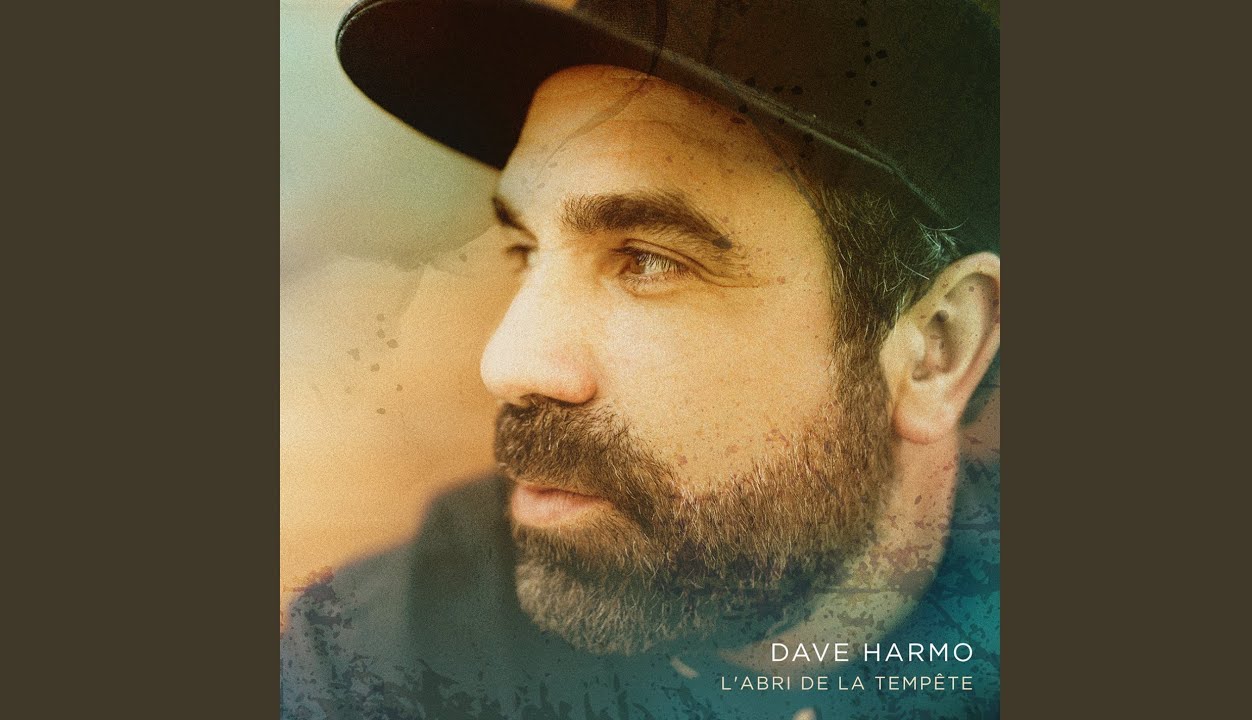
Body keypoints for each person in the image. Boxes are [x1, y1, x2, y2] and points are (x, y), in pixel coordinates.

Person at [282, 1, 1001, 718]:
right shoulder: (379, 660)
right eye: (526, 250)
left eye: (648, 260)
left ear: (939, 348)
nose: (507, 363)